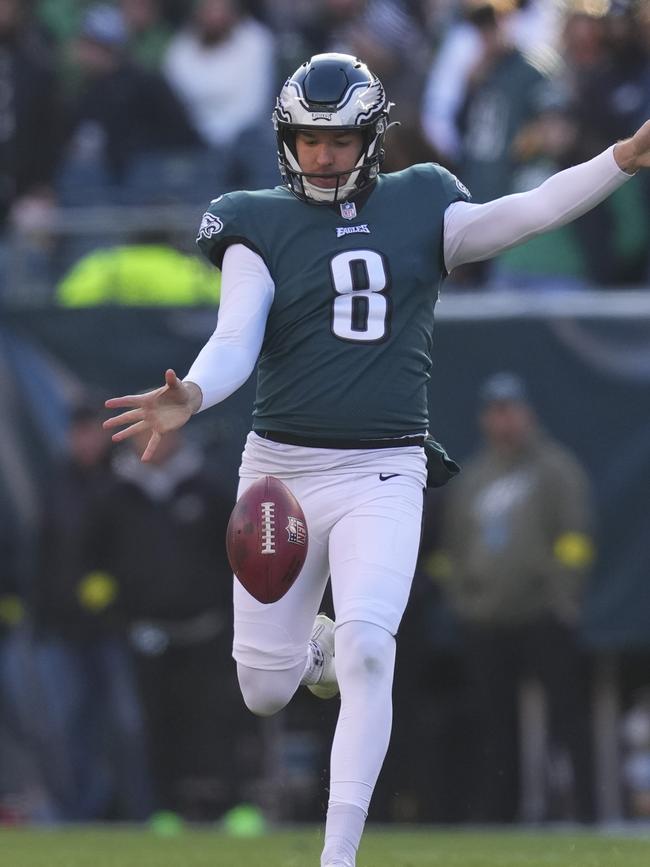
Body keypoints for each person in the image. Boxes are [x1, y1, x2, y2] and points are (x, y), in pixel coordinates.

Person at [103, 53, 650, 867]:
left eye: (341, 139)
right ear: (288, 139)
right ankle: (312, 649)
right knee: (265, 688)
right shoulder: (252, 218)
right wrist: (197, 394)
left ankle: (339, 854)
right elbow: (234, 337)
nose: (323, 155)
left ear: (372, 138)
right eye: (310, 139)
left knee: (370, 649)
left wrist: (621, 159)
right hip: (279, 475)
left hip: (383, 469)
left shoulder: (422, 201)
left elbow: (528, 211)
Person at [433, 372, 596, 822]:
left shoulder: (555, 469)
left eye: (511, 410)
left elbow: (575, 539)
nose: (504, 421)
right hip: (486, 620)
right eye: (495, 412)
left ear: (527, 414)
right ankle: (499, 816)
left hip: (543, 614)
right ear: (486, 419)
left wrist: (563, 595)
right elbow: (453, 549)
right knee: (493, 725)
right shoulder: (473, 477)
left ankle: (588, 812)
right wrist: (463, 601)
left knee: (567, 718)